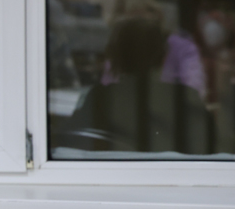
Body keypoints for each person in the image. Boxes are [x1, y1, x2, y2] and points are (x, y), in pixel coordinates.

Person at [57, 16, 212, 154]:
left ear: (115, 56)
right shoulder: (184, 98)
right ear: (163, 57)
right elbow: (212, 152)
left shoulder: (100, 97)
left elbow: (66, 141)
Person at [101, 0, 207, 100]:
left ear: (156, 16)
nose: (135, 32)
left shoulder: (182, 48)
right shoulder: (119, 50)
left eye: (139, 22)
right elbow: (109, 93)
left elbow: (195, 91)